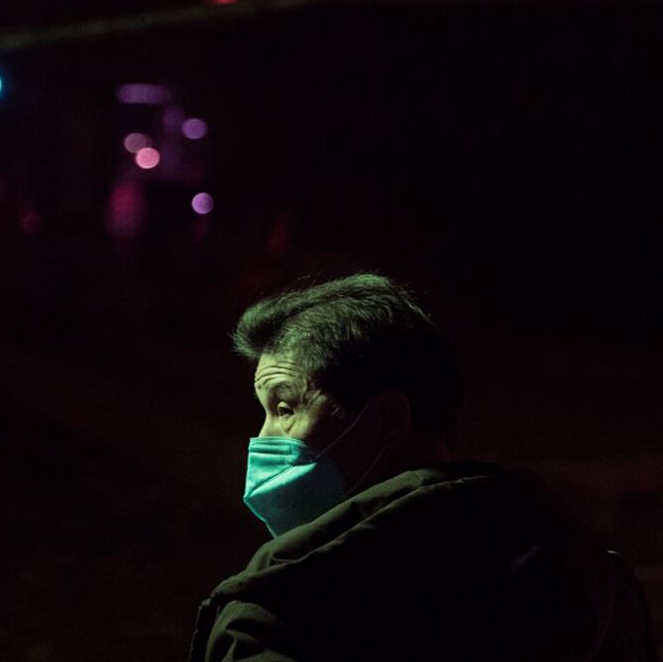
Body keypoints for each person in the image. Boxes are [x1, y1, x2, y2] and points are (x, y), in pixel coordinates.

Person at [189, 273, 661, 662]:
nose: (264, 439)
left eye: (286, 408)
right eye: (264, 411)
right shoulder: (595, 586)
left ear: (389, 420)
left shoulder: (282, 614)